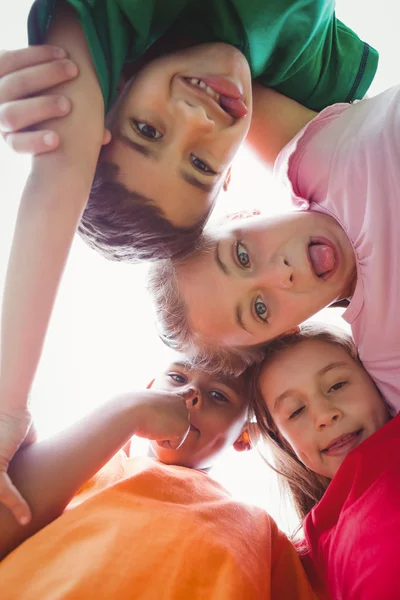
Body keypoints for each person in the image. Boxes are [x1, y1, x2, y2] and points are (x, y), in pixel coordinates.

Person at [0, 0, 377, 525]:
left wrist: (9, 405)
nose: (197, 119)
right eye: (199, 164)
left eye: (148, 131)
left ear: (235, 200)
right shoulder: (314, 79)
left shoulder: (146, 21)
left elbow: (60, 180)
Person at [149, 83, 400, 411]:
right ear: (286, 333)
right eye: (260, 309)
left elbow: (217, 79)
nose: (282, 273)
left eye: (242, 256)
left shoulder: (308, 163)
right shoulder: (386, 354)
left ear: (243, 215)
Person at [0, 351, 315, 600]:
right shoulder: (87, 465)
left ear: (245, 437)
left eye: (219, 395)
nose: (189, 393)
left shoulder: (261, 530)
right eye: (177, 376)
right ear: (149, 390)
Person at [251, 323, 399, 600]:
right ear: (284, 442)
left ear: (375, 379)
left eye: (337, 385)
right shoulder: (301, 559)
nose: (324, 415)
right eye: (296, 412)